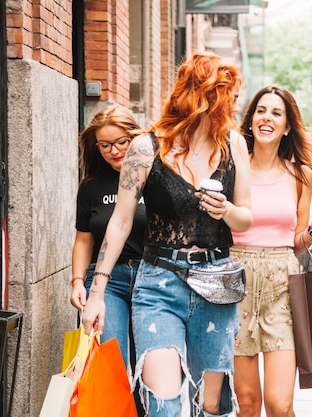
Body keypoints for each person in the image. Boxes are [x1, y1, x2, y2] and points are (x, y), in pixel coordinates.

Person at [82, 51, 253, 417]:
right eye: (228, 97)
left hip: (216, 285)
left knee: (211, 407)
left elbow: (245, 218)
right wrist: (96, 293)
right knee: (164, 405)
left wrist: (228, 212)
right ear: (203, 97)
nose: (233, 107)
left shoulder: (235, 145)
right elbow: (121, 221)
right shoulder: (147, 147)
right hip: (159, 284)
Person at [231, 85, 312, 417]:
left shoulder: (300, 176)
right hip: (235, 284)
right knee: (247, 404)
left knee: (280, 404)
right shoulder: (231, 169)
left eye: (277, 113)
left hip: (282, 287)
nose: (267, 118)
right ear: (250, 121)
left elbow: (295, 242)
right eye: (261, 111)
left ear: (287, 125)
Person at [70, 105, 144, 368]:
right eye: (104, 145)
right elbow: (84, 239)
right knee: (112, 364)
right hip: (108, 281)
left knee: (148, 367)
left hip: (152, 279)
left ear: (136, 138)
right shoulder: (91, 186)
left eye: (121, 142)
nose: (114, 151)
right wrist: (78, 282)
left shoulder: (154, 178)